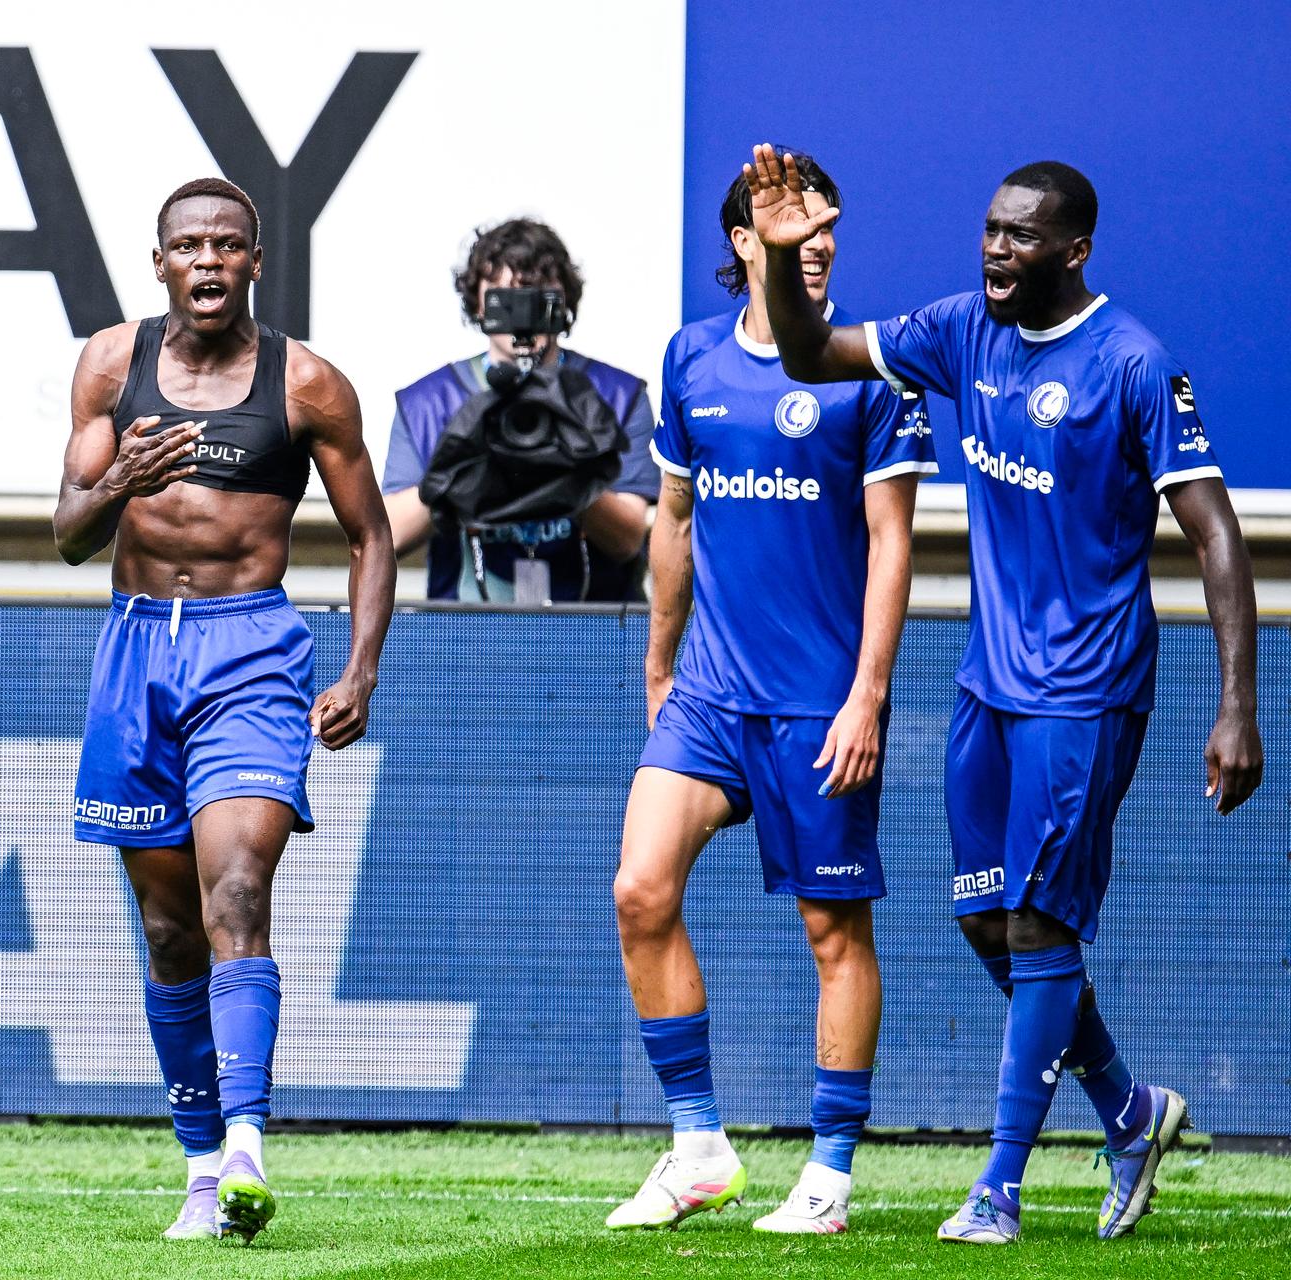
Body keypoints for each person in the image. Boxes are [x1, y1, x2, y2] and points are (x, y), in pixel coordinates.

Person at [745, 144, 1264, 1245]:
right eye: (990, 227)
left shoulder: (1132, 361)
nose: (996, 247)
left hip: (1086, 688)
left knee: (1039, 920)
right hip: (990, 680)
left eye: (1021, 234)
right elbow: (805, 354)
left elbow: (1216, 533)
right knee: (987, 915)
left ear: (1073, 249)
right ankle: (1128, 1106)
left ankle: (1002, 1182)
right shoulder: (960, 330)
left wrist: (1237, 704)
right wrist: (786, 264)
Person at [53, 177, 394, 1244]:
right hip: (136, 649)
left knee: (236, 887)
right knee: (166, 933)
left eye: (228, 245)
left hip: (250, 646)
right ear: (160, 263)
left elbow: (370, 534)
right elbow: (66, 530)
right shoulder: (110, 363)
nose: (208, 261)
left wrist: (359, 669)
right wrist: (122, 484)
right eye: (188, 245)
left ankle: (247, 1142)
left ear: (256, 262)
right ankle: (201, 1168)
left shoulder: (311, 384)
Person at [607, 153, 935, 1236]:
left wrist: (867, 696)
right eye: (785, 226)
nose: (815, 241)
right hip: (708, 692)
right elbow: (673, 518)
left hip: (817, 703)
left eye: (823, 228)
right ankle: (698, 1145)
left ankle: (831, 1173)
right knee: (639, 890)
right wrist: (661, 659)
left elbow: (894, 546)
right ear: (744, 243)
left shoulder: (873, 371)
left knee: (832, 931)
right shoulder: (689, 357)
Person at [383, 219, 659, 601]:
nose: (522, 312)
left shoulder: (616, 395)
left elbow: (628, 539)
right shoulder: (429, 403)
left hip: (594, 631)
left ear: (562, 303)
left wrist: (567, 474)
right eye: (506, 298)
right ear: (479, 304)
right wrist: (461, 472)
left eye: (536, 295)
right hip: (467, 632)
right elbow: (391, 534)